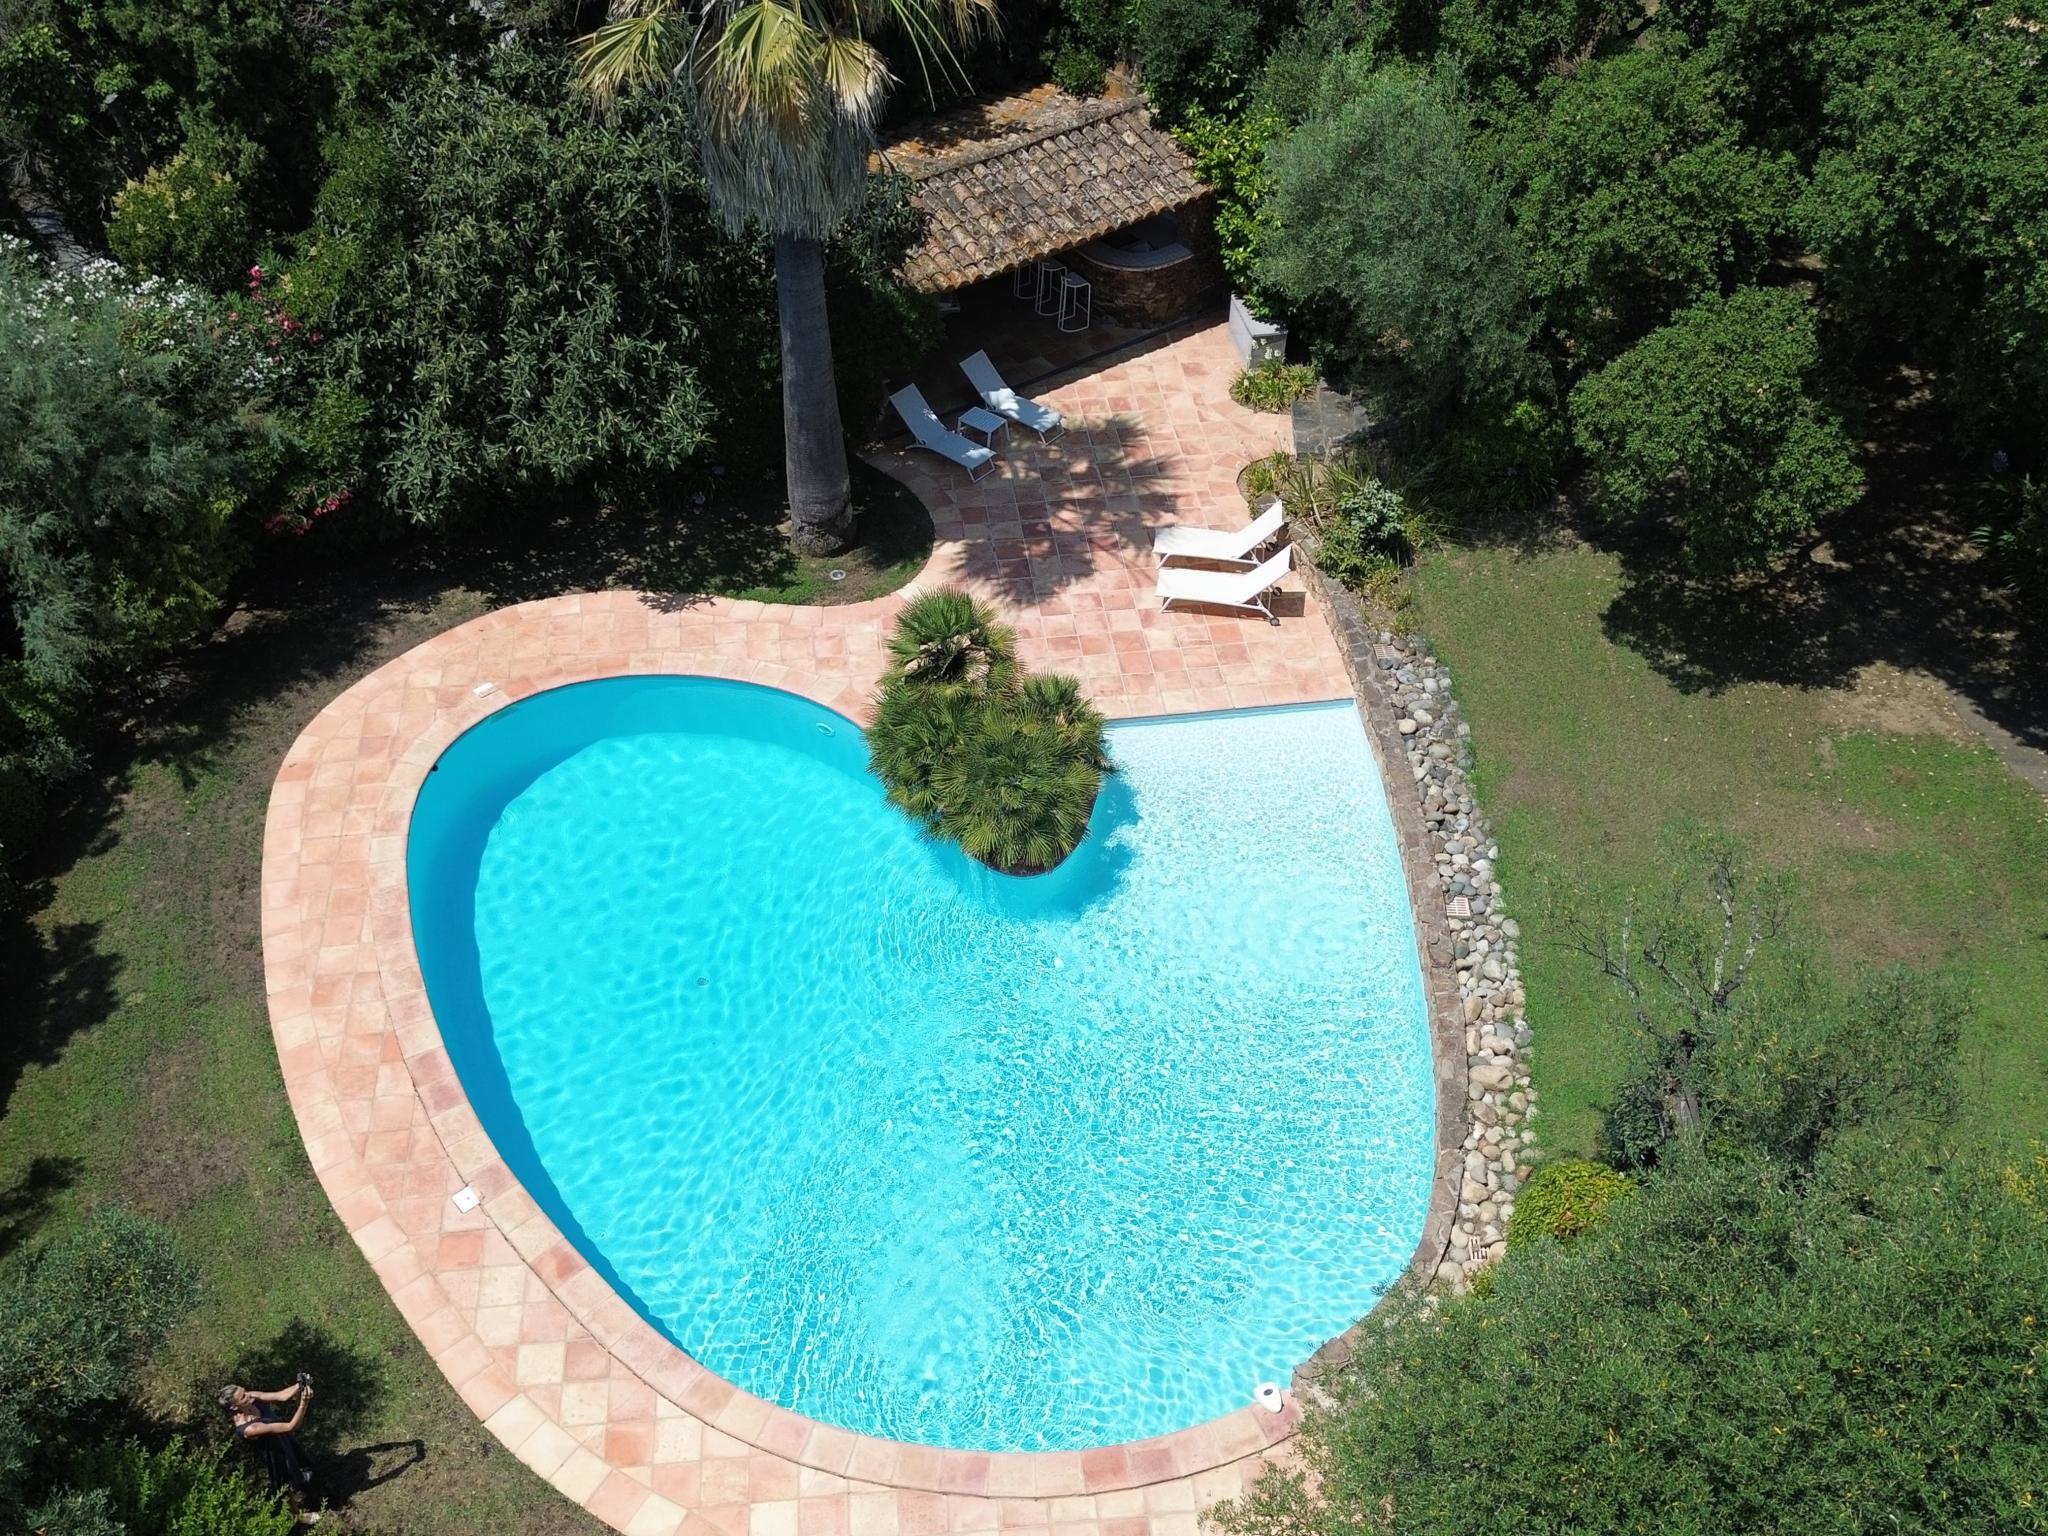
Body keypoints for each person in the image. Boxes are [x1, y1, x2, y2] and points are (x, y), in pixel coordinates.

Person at [219, 1377, 320, 1524]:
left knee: (299, 1462)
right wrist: (304, 1403)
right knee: (284, 1486)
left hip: (283, 1438)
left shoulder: (250, 1398)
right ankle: (297, 1517)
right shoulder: (249, 1429)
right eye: (243, 1396)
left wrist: (300, 1385)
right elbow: (291, 1426)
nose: (248, 1395)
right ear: (234, 1407)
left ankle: (306, 1485)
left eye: (245, 1391)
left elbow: (280, 1395)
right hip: (276, 1453)